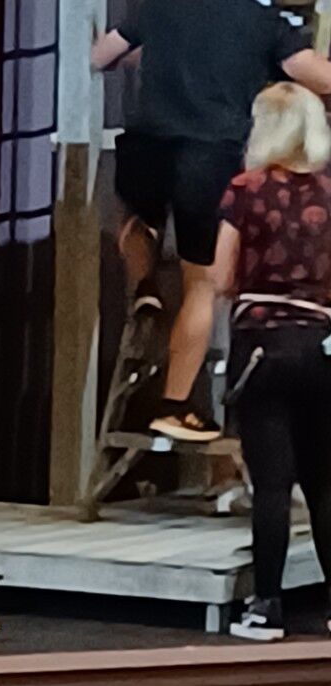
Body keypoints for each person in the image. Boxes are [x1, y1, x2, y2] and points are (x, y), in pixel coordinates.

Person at [93, 0, 331, 443]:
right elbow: (315, 74)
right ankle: (174, 405)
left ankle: (142, 287)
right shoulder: (263, 22)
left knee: (136, 218)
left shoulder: (158, 10)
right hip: (208, 154)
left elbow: (101, 57)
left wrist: (166, 52)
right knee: (199, 283)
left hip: (146, 146)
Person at [215, 84, 331, 642]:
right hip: (321, 345)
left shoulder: (245, 190)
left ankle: (266, 606)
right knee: (324, 482)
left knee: (272, 485)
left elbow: (219, 275)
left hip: (262, 345)